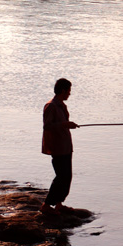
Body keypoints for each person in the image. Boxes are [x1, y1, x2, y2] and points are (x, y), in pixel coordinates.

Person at [40, 78, 79, 215]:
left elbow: (62, 124)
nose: (69, 94)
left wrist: (68, 125)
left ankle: (58, 204)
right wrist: (64, 125)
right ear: (63, 90)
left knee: (67, 176)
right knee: (61, 176)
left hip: (66, 146)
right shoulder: (51, 106)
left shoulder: (62, 105)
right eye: (69, 91)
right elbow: (47, 126)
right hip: (57, 147)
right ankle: (46, 205)